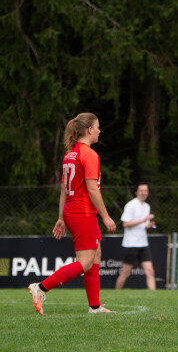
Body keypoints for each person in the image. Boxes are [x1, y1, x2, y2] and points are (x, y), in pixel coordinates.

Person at [28, 112, 116, 315]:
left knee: (96, 256)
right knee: (85, 262)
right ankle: (40, 287)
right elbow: (92, 189)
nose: (100, 131)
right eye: (98, 127)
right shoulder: (89, 154)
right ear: (89, 130)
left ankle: (95, 306)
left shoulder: (70, 153)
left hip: (72, 210)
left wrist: (61, 217)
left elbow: (63, 189)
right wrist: (105, 216)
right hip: (82, 212)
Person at [115, 183, 156, 290]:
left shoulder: (147, 206)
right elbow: (125, 224)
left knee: (150, 272)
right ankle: (116, 293)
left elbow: (143, 225)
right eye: (141, 191)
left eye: (145, 191)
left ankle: (155, 298)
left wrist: (148, 225)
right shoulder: (131, 205)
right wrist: (142, 220)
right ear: (136, 192)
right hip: (131, 244)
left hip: (143, 243)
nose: (143, 193)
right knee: (126, 273)